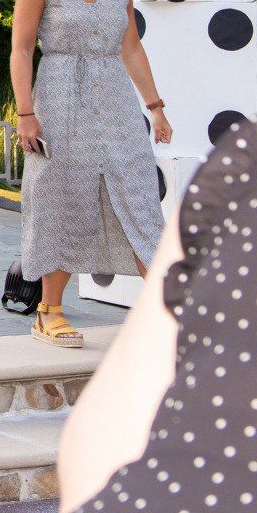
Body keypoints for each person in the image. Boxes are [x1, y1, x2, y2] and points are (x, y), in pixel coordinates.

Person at [55, 116, 254, 510]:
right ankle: (48, 307)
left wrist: (155, 107)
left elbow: (103, 439)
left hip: (146, 490)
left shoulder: (241, 167)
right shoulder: (241, 170)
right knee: (68, 217)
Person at [11, 0, 169, 348]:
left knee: (140, 198)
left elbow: (130, 46)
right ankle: (48, 311)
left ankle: (163, 317)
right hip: (58, 97)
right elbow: (21, 50)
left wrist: (155, 107)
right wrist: (26, 113)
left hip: (116, 102)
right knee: (60, 199)